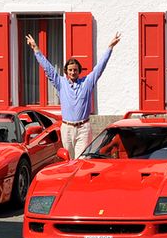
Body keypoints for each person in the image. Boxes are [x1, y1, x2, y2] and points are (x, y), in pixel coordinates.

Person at [25, 31, 120, 159]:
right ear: (66, 71)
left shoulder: (87, 82)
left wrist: (110, 47)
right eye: (70, 70)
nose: (73, 72)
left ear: (79, 71)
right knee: (68, 159)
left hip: (83, 128)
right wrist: (36, 49)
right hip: (67, 128)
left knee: (81, 159)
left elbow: (99, 68)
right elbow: (48, 69)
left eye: (75, 70)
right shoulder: (61, 83)